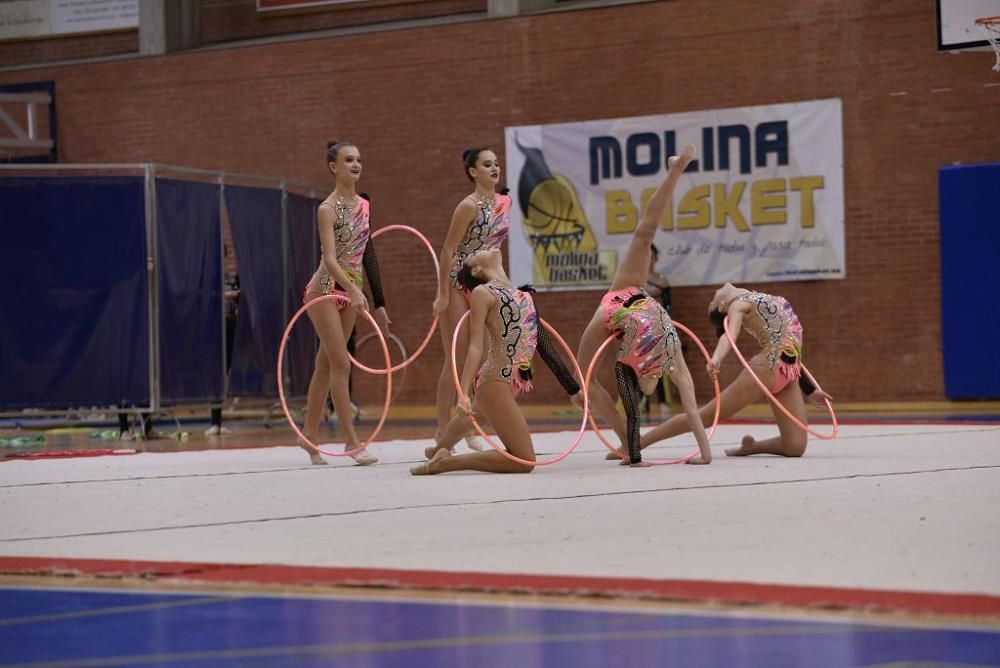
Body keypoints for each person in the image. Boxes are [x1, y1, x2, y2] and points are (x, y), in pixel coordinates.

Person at [575, 145, 713, 466]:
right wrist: (703, 456)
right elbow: (691, 407)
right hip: (629, 302)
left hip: (623, 307)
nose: (650, 384)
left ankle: (627, 441)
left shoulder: (659, 351)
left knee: (584, 380)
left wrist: (635, 455)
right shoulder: (670, 350)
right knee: (645, 232)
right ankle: (627, 442)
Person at [412, 248, 581, 475]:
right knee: (524, 461)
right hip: (495, 379)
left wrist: (573, 389)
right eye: (476, 254)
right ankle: (448, 462)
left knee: (476, 415)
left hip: (511, 381)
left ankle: (438, 450)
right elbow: (475, 346)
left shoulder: (524, 296)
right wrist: (462, 394)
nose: (489, 247)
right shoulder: (483, 293)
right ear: (477, 269)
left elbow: (545, 345)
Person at [637, 283, 832, 458]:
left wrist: (810, 390)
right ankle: (637, 444)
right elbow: (730, 334)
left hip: (788, 372)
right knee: (706, 416)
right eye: (712, 301)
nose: (715, 292)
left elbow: (791, 348)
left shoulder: (759, 297)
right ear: (722, 306)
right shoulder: (737, 305)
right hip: (767, 368)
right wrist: (717, 358)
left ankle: (752, 447)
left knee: (795, 447)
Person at [298, 141, 390, 466]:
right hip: (326, 288)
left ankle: (308, 435)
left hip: (352, 290)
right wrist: (352, 289)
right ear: (334, 167)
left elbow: (366, 253)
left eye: (359, 159)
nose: (356, 164)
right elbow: (330, 258)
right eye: (348, 159)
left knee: (326, 365)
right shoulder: (327, 208)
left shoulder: (364, 206)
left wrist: (374, 298)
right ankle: (352, 442)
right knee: (341, 364)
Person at [432, 148, 512, 452]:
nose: (494, 169)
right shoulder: (467, 206)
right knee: (457, 358)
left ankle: (467, 426)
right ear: (472, 171)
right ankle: (442, 429)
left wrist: (505, 285)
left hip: (487, 283)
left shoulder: (505, 203)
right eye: (487, 164)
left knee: (486, 358)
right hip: (457, 283)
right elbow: (448, 250)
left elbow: (497, 249)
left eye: (496, 164)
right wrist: (441, 294)